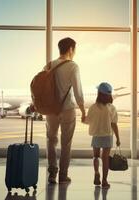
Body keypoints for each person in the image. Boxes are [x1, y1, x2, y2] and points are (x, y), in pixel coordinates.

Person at [45, 37, 86, 184]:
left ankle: (52, 173)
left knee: (51, 140)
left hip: (51, 110)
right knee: (66, 143)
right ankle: (63, 175)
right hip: (68, 109)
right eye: (74, 49)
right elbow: (78, 91)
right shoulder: (73, 66)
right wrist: (83, 110)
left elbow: (43, 87)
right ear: (70, 49)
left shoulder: (49, 65)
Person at [84, 82, 121, 189]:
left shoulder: (93, 107)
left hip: (96, 135)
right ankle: (104, 181)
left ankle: (96, 173)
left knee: (96, 156)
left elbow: (88, 121)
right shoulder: (112, 108)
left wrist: (83, 119)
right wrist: (118, 138)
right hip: (108, 136)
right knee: (105, 158)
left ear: (99, 93)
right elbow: (114, 124)